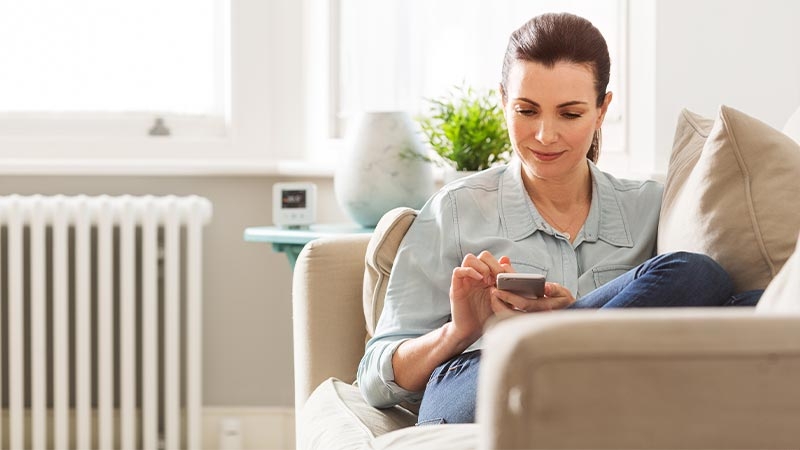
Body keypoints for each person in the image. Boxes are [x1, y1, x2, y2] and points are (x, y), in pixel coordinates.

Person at [356, 12, 758, 426]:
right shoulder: (454, 211)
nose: (546, 135)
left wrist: (576, 315)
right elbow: (375, 378)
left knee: (726, 290)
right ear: (503, 102)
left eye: (569, 114)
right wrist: (461, 330)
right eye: (527, 110)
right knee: (692, 273)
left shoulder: (651, 208)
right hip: (481, 386)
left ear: (602, 110)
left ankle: (574, 354)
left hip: (612, 386)